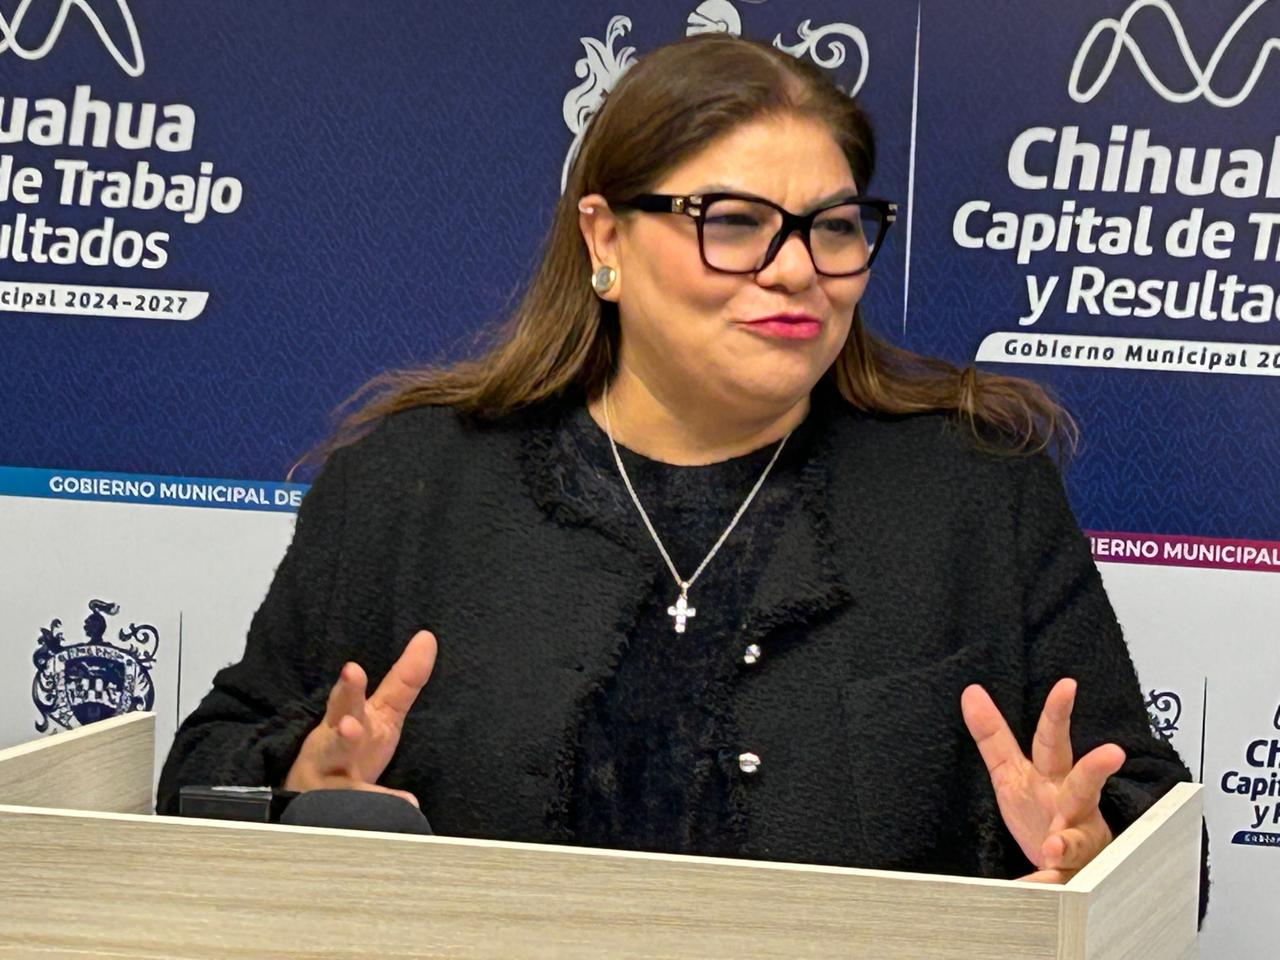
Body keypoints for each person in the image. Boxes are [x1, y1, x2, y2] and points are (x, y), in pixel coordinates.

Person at [157, 33, 1208, 918]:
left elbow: (1153, 834)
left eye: (834, 228)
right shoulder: (409, 482)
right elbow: (201, 773)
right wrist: (302, 785)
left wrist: (1090, 858)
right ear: (604, 238)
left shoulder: (974, 492)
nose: (795, 269)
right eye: (733, 223)